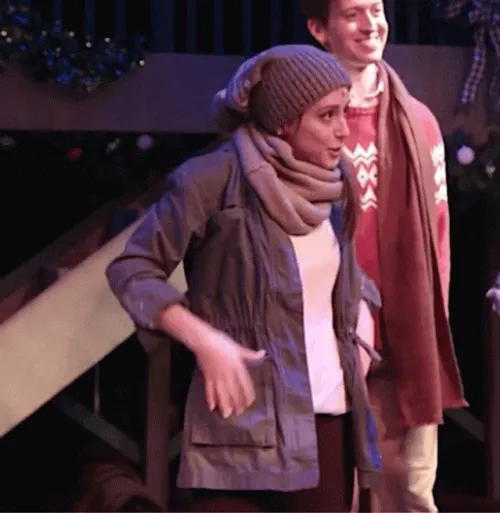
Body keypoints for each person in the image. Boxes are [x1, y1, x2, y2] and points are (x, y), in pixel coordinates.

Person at [106, 44, 382, 513]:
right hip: (241, 424)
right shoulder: (213, 179)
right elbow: (132, 269)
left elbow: (347, 275)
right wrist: (205, 340)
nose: (343, 129)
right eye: (326, 116)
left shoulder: (336, 183)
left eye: (344, 111)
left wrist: (362, 324)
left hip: (326, 418)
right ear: (284, 121)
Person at [299, 1, 467, 511]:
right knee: (335, 495)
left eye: (376, 8)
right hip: (324, 339)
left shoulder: (420, 122)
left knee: (408, 488)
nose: (370, 24)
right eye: (352, 14)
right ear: (319, 29)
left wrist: (425, 324)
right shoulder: (302, 123)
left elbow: (438, 240)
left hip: (403, 341)